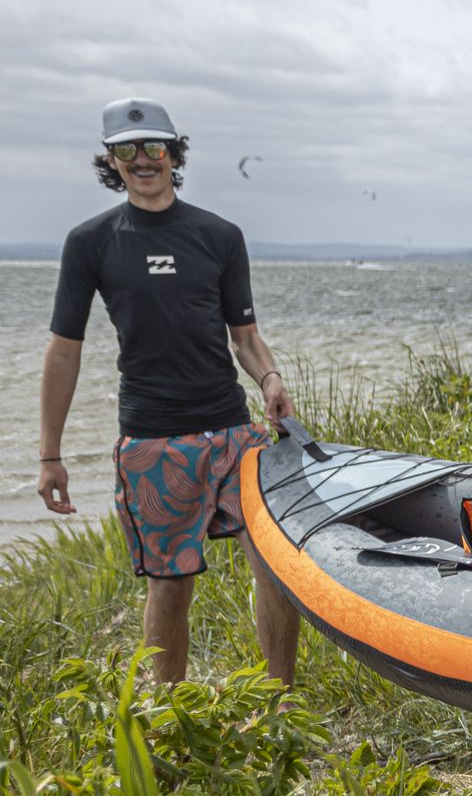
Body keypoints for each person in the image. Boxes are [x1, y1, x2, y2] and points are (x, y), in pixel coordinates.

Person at [37, 97, 300, 687]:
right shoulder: (91, 242)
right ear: (112, 160)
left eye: (154, 146)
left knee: (277, 563)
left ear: (174, 152)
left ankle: (281, 704)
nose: (142, 160)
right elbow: (64, 350)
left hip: (233, 434)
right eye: (126, 150)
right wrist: (51, 454)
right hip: (152, 441)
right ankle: (168, 716)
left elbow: (247, 336)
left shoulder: (220, 235)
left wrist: (271, 379)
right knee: (170, 584)